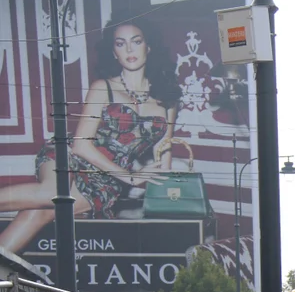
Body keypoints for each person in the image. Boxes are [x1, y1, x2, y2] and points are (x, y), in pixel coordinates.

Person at [0, 19, 179, 251]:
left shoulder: (168, 101)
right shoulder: (102, 87)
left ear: (149, 46)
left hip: (105, 185)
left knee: (40, 212)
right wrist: (130, 177)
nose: (129, 50)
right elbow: (81, 146)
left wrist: (167, 189)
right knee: (54, 192)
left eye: (136, 41)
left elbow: (162, 163)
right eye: (120, 43)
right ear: (114, 53)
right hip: (71, 161)